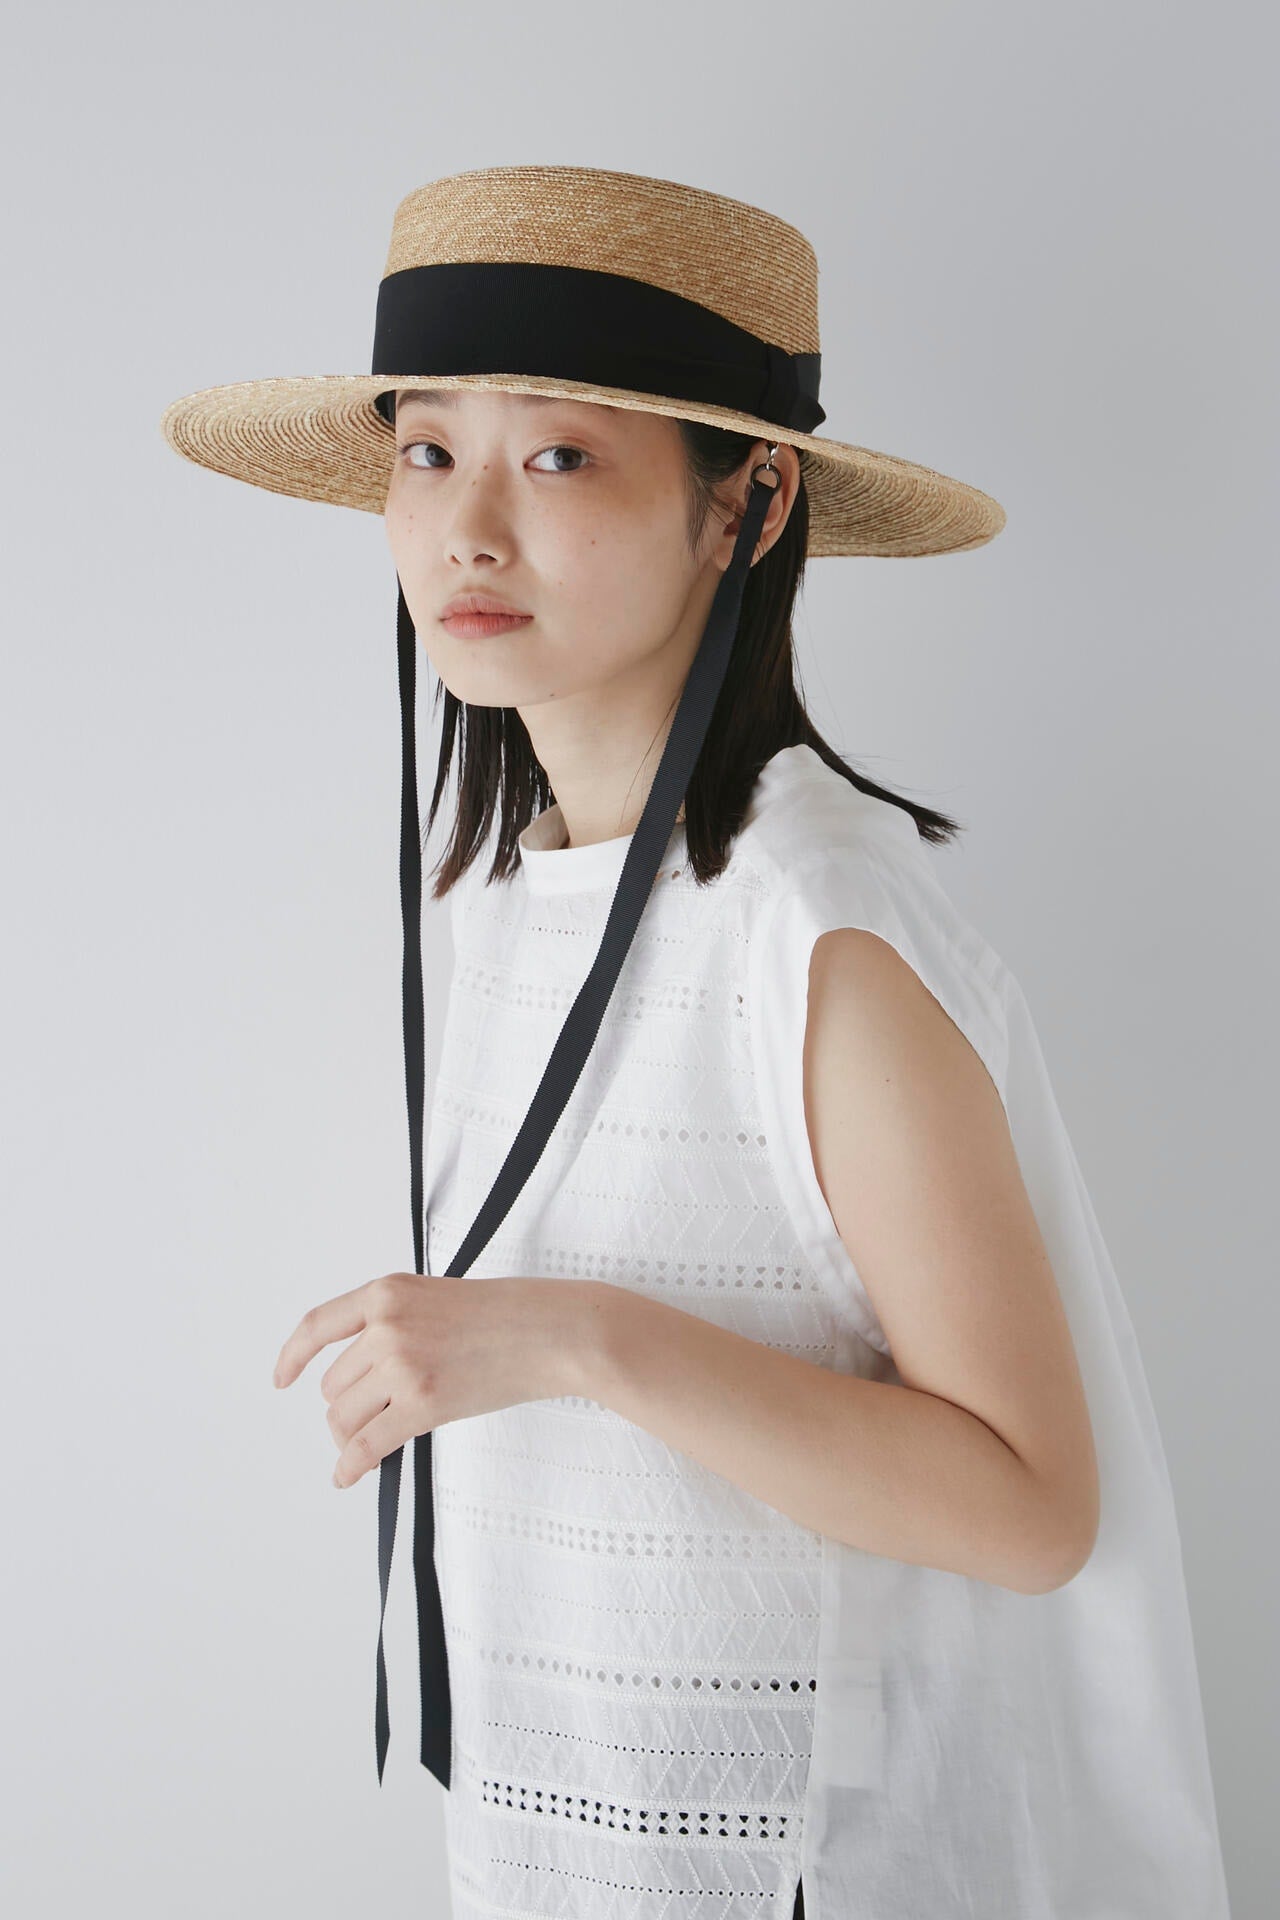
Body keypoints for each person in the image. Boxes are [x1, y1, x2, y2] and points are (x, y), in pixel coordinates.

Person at [163, 164, 1232, 1919]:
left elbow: (1032, 1508)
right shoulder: (513, 894)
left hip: (806, 1871)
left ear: (749, 502)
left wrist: (574, 1339)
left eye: (559, 457)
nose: (466, 529)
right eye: (426, 450)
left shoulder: (817, 937)